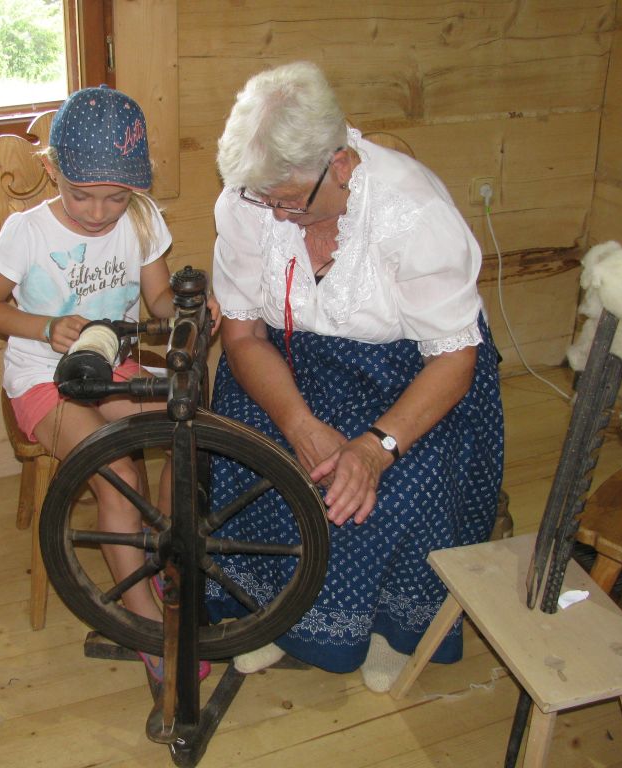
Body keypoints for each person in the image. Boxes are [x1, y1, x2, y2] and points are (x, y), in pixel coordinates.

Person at [204, 61, 504, 692]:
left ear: (339, 165)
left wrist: (376, 446)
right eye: (265, 200)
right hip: (289, 361)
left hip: (410, 371)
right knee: (250, 443)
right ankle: (269, 613)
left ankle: (387, 627)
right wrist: (299, 423)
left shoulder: (412, 211)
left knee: (399, 482)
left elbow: (453, 358)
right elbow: (241, 335)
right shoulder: (250, 200)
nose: (276, 215)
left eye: (288, 200)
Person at [0, 85, 219, 683]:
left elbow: (156, 298)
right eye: (82, 195)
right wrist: (43, 326)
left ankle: (148, 554)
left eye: (115, 197)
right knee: (119, 472)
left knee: (184, 437)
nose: (100, 212)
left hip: (112, 368)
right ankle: (143, 626)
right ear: (52, 170)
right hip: (41, 378)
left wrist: (188, 314)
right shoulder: (27, 231)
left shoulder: (139, 217)